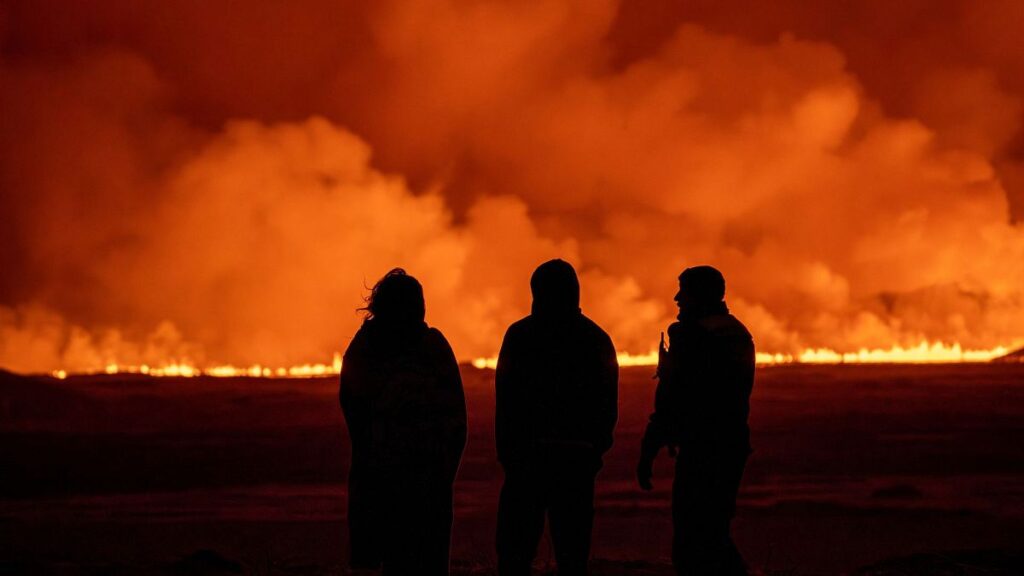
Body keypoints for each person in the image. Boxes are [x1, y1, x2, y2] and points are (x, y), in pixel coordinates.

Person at [339, 268, 467, 576]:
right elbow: (456, 419)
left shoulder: (364, 349)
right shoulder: (430, 348)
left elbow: (353, 412)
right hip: (416, 483)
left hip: (388, 481)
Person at [495, 259, 618, 576]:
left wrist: (511, 455)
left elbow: (505, 401)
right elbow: (607, 406)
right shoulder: (596, 338)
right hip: (575, 462)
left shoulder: (520, 335)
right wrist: (593, 451)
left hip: (527, 461)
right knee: (572, 555)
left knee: (514, 554)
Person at [636, 265, 754, 576]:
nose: (677, 299)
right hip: (732, 445)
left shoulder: (695, 335)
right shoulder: (735, 331)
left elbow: (674, 399)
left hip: (703, 450)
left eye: (683, 292)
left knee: (693, 537)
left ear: (698, 294)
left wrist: (649, 450)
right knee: (714, 529)